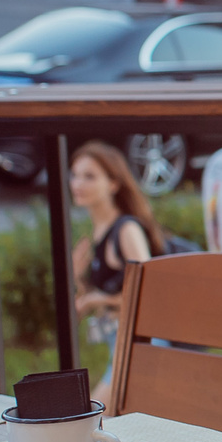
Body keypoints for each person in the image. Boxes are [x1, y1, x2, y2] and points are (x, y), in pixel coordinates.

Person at [69, 140, 166, 401]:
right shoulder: (96, 234)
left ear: (113, 183)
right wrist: (80, 279)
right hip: (121, 345)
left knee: (95, 418)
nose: (78, 183)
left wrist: (97, 299)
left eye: (89, 176)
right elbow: (100, 296)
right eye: (75, 175)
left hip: (144, 345)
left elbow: (149, 293)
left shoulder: (125, 230)